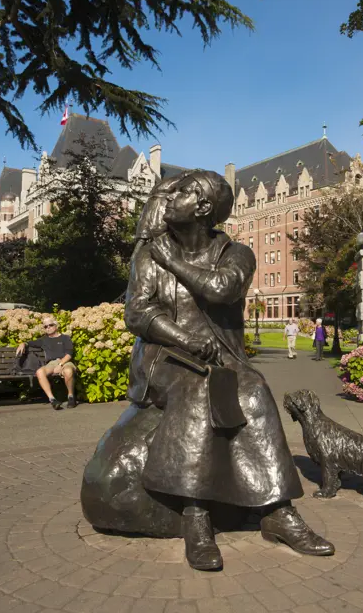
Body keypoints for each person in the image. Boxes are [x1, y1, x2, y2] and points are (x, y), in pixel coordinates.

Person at [125, 169, 334, 571]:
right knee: (195, 389)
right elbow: (138, 313)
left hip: (222, 356)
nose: (169, 198)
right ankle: (195, 514)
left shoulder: (236, 253)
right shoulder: (148, 253)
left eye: (181, 193)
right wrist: (183, 339)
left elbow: (223, 289)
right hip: (165, 357)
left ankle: (278, 511)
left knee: (254, 389)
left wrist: (175, 263)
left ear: (203, 207)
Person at [16, 317, 76, 410]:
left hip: (65, 361)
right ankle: (52, 400)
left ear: (56, 326)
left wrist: (60, 365)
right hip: (51, 364)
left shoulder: (65, 338)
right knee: (40, 372)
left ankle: (71, 396)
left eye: (50, 325)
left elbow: (69, 355)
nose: (48, 327)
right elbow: (29, 343)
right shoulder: (43, 340)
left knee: (68, 371)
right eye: (45, 326)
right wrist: (23, 344)